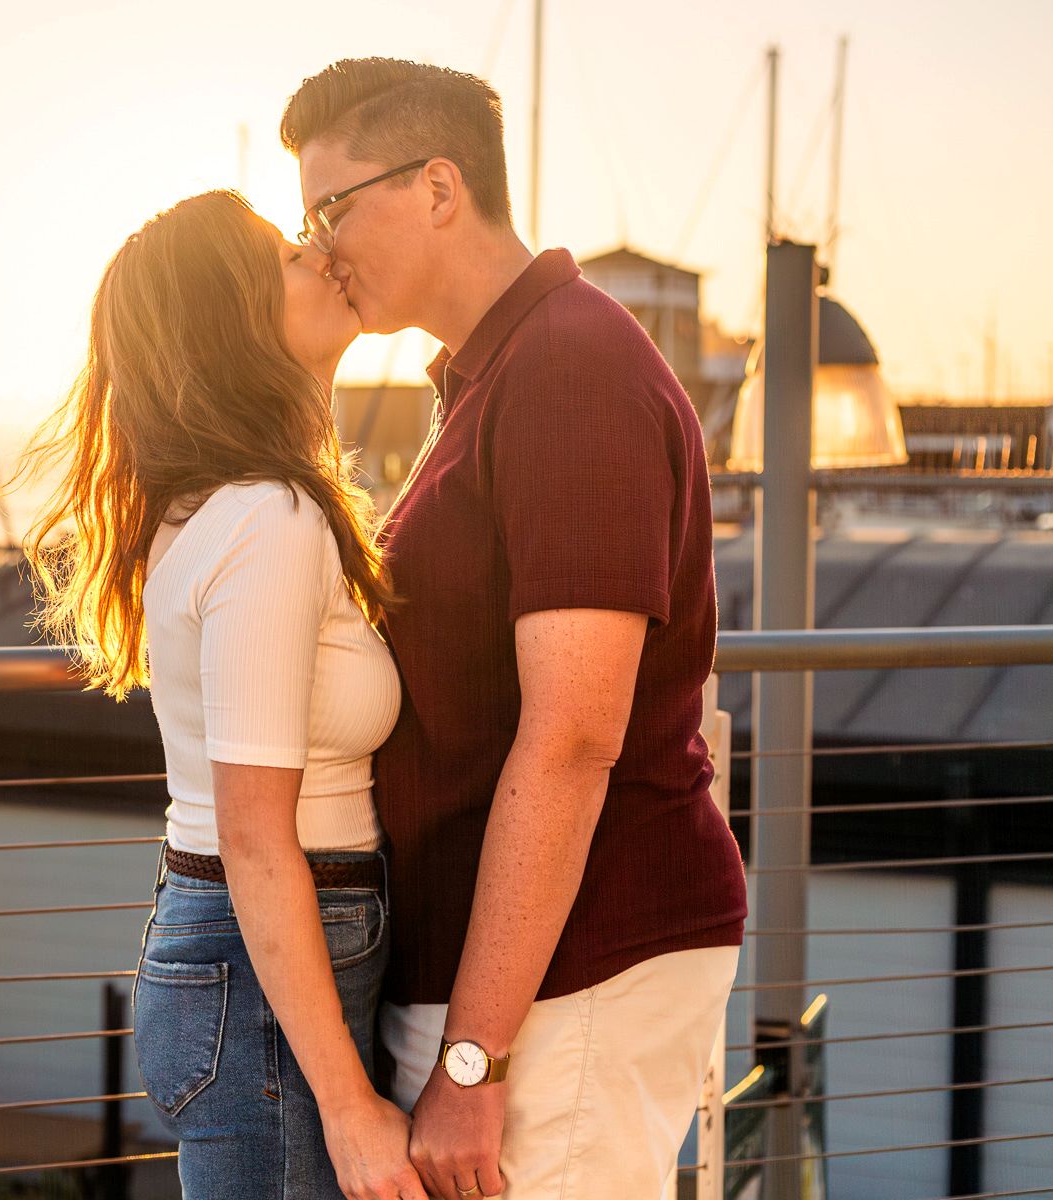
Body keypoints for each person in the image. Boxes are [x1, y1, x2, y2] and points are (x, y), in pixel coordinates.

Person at [280, 58, 749, 1199]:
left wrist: (476, 1059)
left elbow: (576, 734)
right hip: (516, 979)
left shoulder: (568, 373)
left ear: (439, 187)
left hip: (571, 978)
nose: (321, 243)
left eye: (331, 207)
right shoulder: (496, 377)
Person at [19, 190, 426, 1200]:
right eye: (290, 255)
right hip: (264, 966)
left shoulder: (226, 507)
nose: (322, 258)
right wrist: (349, 1107)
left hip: (257, 957)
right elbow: (253, 836)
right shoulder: (263, 519)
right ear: (236, 322)